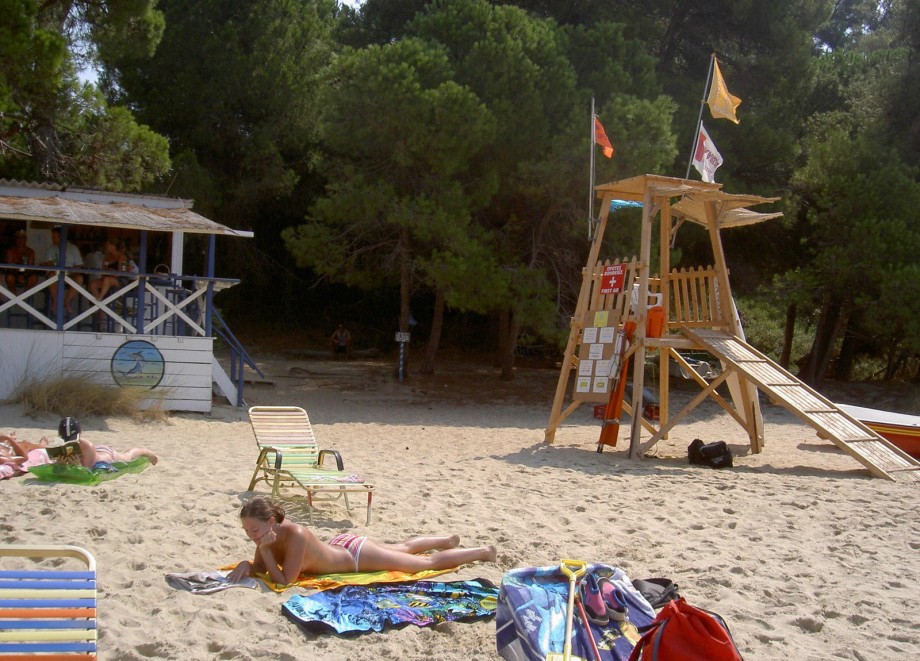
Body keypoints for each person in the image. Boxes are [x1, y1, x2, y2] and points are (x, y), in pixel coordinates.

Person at [227, 496, 496, 586]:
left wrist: (264, 551)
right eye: (247, 531)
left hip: (355, 557)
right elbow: (262, 568)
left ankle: (483, 552)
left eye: (253, 530)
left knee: (423, 564)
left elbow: (285, 580)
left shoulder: (295, 534)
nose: (250, 535)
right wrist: (246, 563)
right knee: (401, 547)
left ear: (271, 522)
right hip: (342, 545)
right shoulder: (266, 536)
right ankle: (447, 539)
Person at [50, 417, 158, 469]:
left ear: (80, 434)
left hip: (107, 456)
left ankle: (147, 452)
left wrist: (77, 465)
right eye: (67, 441)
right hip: (97, 451)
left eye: (73, 440)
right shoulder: (61, 444)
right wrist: (59, 464)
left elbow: (88, 471)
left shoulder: (87, 446)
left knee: (128, 456)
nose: (69, 443)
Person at [42, 226, 85, 314]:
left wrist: (70, 270)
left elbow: (79, 264)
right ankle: (57, 301)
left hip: (69, 274)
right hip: (55, 274)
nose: (52, 239)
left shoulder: (73, 248)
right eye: (52, 237)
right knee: (51, 276)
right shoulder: (51, 249)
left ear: (61, 237)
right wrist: (48, 264)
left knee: (79, 278)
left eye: (54, 237)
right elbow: (46, 263)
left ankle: (66, 301)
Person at [4, 228, 38, 293]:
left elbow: (30, 266)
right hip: (13, 272)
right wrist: (19, 273)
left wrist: (22, 274)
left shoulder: (30, 251)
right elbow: (10, 266)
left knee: (34, 278)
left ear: (25, 239)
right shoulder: (10, 251)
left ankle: (23, 299)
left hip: (26, 273)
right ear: (16, 240)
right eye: (18, 238)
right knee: (9, 278)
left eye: (22, 238)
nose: (20, 240)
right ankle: (14, 298)